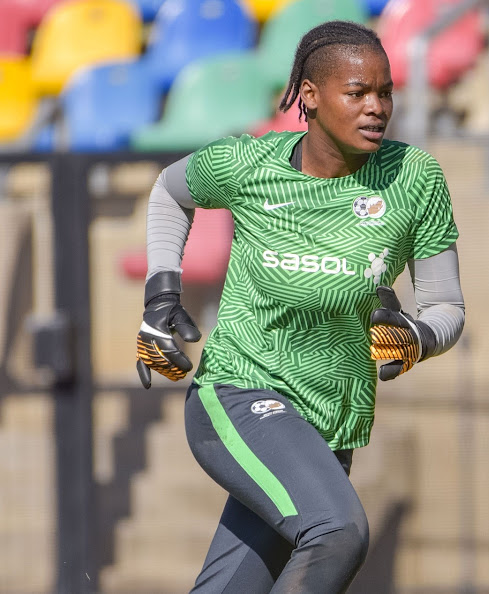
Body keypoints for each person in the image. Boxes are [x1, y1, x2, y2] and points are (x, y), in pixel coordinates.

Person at [134, 20, 465, 593]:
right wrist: (162, 294)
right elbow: (169, 189)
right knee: (337, 530)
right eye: (357, 92)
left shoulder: (416, 177)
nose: (376, 107)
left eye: (384, 91)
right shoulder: (248, 165)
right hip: (237, 395)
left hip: (329, 423)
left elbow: (447, 306)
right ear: (309, 97)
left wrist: (419, 336)